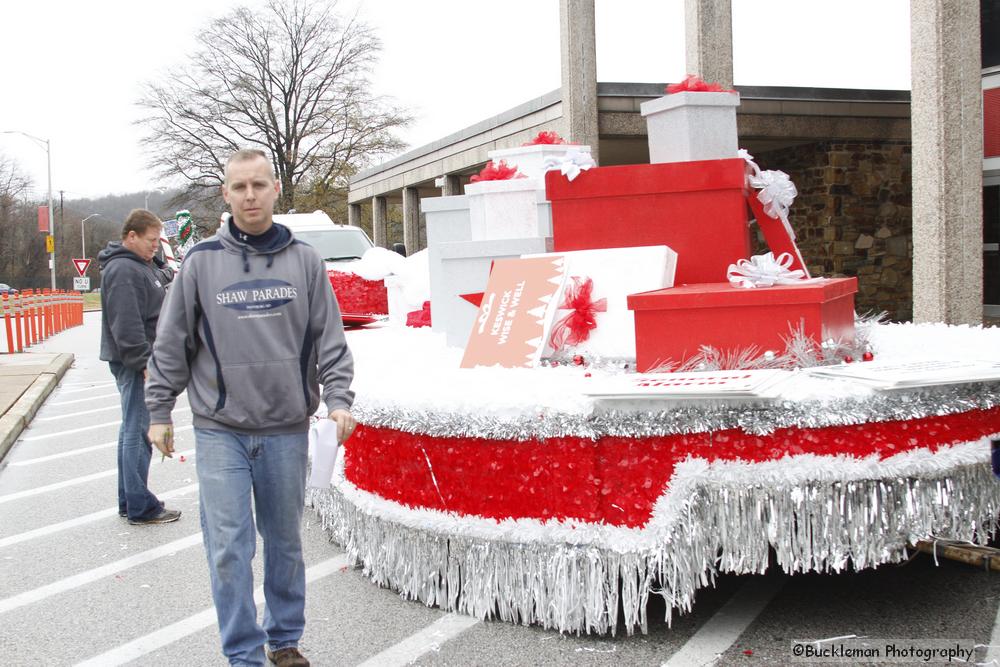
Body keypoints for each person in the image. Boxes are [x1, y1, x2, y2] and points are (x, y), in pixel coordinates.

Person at [145, 149, 356, 667]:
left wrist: (338, 400)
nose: (250, 196)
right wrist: (157, 411)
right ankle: (243, 653)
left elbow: (328, 338)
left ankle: (284, 641)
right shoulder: (200, 264)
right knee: (229, 547)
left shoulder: (305, 261)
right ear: (226, 194)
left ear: (275, 189)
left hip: (286, 428)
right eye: (239, 187)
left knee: (285, 544)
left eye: (258, 185)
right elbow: (171, 343)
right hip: (222, 431)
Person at [98, 209, 181, 526]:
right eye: (150, 241)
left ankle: (129, 499)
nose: (154, 247)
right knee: (138, 432)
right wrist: (145, 364)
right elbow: (127, 326)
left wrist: (158, 263)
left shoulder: (139, 266)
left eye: (157, 242)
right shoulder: (123, 271)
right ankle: (139, 505)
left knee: (131, 429)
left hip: (139, 360)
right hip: (136, 362)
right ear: (131, 236)